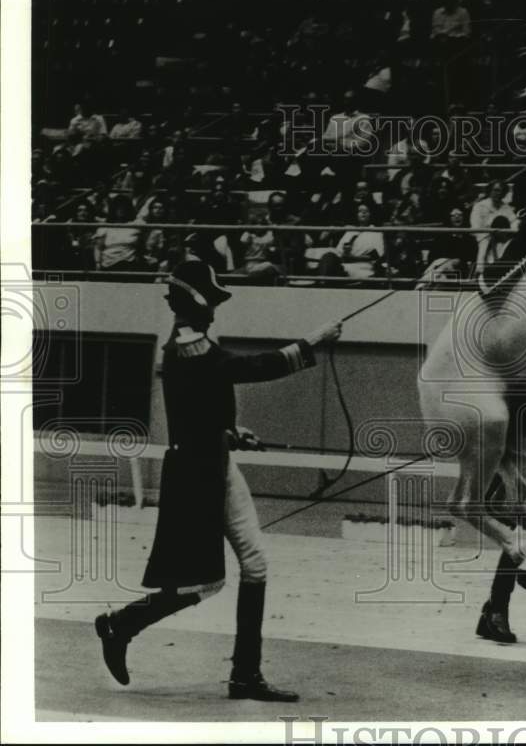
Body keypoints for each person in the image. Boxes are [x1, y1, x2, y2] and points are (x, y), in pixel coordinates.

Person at [95, 260, 342, 701]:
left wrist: (228, 430)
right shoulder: (191, 345)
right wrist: (312, 343)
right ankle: (124, 626)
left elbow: (199, 400)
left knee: (251, 567)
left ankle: (242, 675)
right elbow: (245, 367)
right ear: (196, 301)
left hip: (211, 465)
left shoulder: (189, 344)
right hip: (199, 476)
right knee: (207, 583)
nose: (214, 308)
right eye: (211, 299)